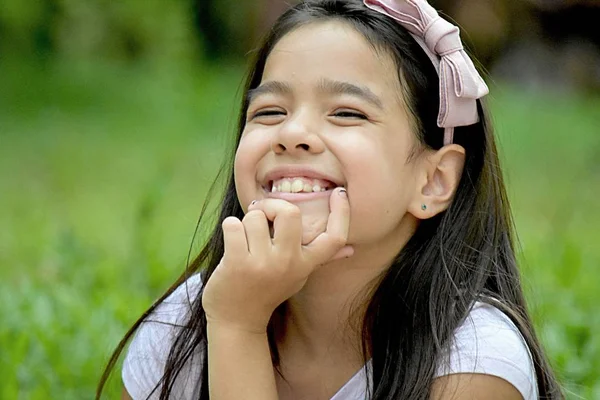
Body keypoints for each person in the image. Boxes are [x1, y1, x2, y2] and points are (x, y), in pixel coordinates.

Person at [97, 0, 563, 399]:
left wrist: (239, 329)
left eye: (346, 112)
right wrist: (231, 319)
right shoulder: (186, 324)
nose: (292, 133)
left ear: (433, 181)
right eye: (269, 111)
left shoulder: (473, 360)